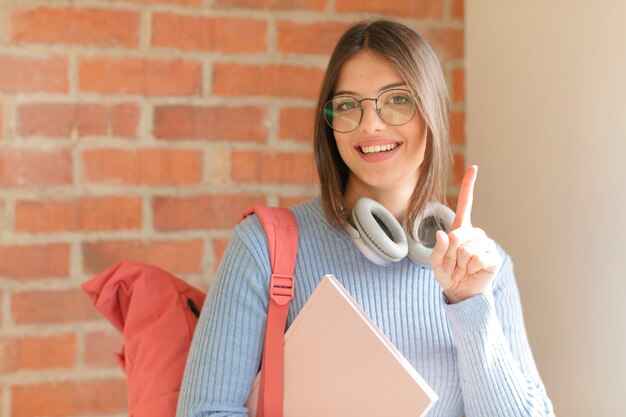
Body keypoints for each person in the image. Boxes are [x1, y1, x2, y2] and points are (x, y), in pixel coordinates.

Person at [176, 19, 554, 417]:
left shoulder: (483, 266)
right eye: (347, 105)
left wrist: (469, 303)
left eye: (397, 99)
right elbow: (205, 411)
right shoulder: (263, 247)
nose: (371, 124)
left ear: (432, 113)